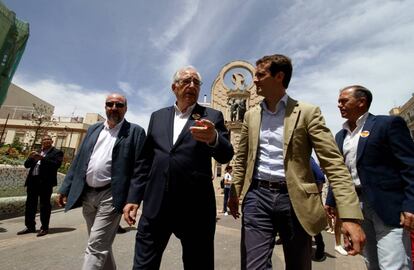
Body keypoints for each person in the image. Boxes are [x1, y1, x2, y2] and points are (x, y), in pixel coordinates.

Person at [228, 54, 365, 270]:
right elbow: (242, 158)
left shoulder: (307, 112)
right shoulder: (250, 116)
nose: (254, 80)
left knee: (298, 264)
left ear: (279, 76)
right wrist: (235, 192)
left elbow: (333, 163)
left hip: (295, 200)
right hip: (257, 198)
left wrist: (349, 216)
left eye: (260, 75)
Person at [123, 66, 234, 270]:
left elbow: (226, 154)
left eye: (196, 82)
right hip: (156, 206)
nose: (192, 85)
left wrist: (214, 139)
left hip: (195, 209)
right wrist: (133, 198)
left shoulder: (212, 116)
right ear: (174, 87)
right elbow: (145, 161)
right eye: (186, 81)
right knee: (143, 265)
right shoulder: (157, 117)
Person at [326, 85, 414, 269]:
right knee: (370, 261)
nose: (339, 105)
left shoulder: (387, 124)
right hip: (356, 206)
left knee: (393, 263)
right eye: (339, 101)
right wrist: (331, 200)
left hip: (387, 206)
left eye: (344, 101)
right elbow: (339, 171)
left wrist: (410, 204)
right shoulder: (340, 136)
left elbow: (409, 165)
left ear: (361, 102)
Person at [56, 93, 146, 270]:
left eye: (118, 105)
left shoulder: (135, 132)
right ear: (105, 107)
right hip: (88, 195)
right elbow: (79, 160)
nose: (113, 107)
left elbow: (140, 168)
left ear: (125, 109)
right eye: (109, 104)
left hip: (111, 196)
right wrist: (65, 187)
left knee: (96, 246)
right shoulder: (94, 129)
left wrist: (133, 199)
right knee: (99, 244)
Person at [17, 135, 63, 237]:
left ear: (52, 141)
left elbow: (56, 165)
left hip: (45, 183)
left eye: (48, 140)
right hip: (33, 182)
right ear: (41, 141)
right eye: (44, 140)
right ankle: (30, 226)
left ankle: (44, 228)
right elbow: (26, 165)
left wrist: (42, 158)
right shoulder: (37, 151)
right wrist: (31, 157)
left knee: (44, 205)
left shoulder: (57, 152)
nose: (46, 141)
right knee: (30, 205)